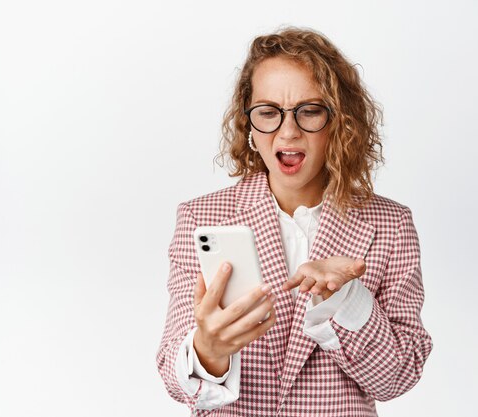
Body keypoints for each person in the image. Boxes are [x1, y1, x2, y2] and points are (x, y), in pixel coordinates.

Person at [156, 27, 432, 417]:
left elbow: (399, 377)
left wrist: (347, 300)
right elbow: (173, 374)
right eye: (268, 112)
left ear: (339, 122)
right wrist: (208, 351)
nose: (288, 131)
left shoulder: (391, 224)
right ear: (249, 125)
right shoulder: (200, 218)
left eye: (310, 111)